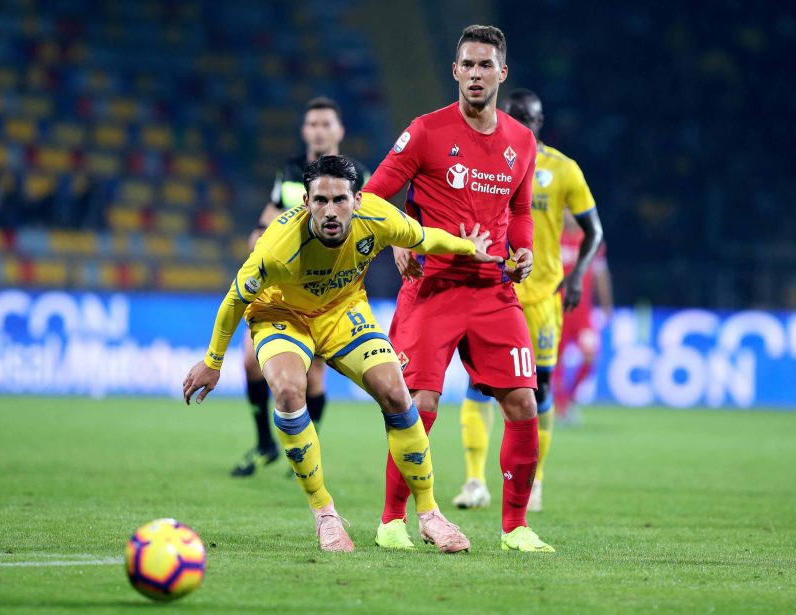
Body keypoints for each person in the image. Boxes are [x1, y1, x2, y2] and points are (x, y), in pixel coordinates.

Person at [183, 155, 499, 552]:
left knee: (396, 392)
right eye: (320, 201)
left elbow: (423, 237)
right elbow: (234, 299)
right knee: (287, 391)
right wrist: (213, 362)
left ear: (358, 199)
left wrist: (467, 247)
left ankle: (430, 514)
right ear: (305, 201)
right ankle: (325, 514)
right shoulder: (277, 247)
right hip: (282, 314)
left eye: (340, 200)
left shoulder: (380, 218)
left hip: (343, 310)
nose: (330, 211)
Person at [363, 25, 553, 553]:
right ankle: (392, 520)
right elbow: (373, 195)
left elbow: (518, 210)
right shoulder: (425, 131)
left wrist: (524, 253)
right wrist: (404, 236)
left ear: (501, 73)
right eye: (466, 64)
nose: (475, 74)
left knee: (521, 401)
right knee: (417, 402)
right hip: (434, 286)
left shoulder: (521, 141)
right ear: (455, 71)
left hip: (493, 289)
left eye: (484, 65)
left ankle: (515, 528)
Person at [452, 89, 604, 513]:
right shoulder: (482, 160)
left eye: (532, 118)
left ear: (541, 122)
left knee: (539, 392)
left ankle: (534, 480)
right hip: (493, 292)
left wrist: (577, 278)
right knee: (478, 385)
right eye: (517, 116)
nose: (525, 124)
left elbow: (595, 231)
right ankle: (474, 481)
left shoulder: (563, 169)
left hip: (541, 301)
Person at [232, 96, 371, 477]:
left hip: (329, 291)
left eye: (326, 124)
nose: (319, 131)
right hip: (281, 289)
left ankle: (307, 447)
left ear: (339, 130)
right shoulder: (291, 170)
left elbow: (374, 222)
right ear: (304, 130)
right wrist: (259, 236)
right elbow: (269, 215)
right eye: (312, 124)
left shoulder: (357, 173)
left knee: (314, 376)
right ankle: (264, 443)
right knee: (249, 361)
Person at [554, 212, 612, 425]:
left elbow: (601, 274)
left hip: (582, 315)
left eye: (571, 210)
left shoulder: (592, 239)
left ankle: (569, 399)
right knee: (554, 362)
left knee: (590, 357)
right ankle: (560, 407)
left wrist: (606, 305)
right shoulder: (552, 236)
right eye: (565, 210)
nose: (568, 215)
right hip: (556, 312)